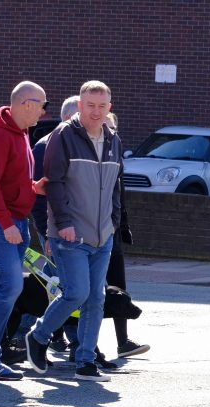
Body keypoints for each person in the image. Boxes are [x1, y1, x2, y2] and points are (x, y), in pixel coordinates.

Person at [22, 80, 124, 382]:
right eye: (90, 105)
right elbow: (53, 182)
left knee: (96, 298)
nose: (96, 111)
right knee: (76, 293)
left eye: (101, 106)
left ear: (109, 108)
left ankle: (85, 360)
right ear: (80, 106)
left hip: (102, 233)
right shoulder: (63, 136)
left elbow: (116, 185)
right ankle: (38, 336)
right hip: (69, 234)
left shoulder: (113, 139)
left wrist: (114, 220)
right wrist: (63, 223)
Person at [0, 81, 48, 381]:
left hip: (14, 220)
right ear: (25, 103)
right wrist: (5, 225)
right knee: (10, 287)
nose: (43, 111)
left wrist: (33, 188)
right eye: (42, 104)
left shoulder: (20, 133)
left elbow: (7, 180)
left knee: (4, 289)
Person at [29, 95, 77, 353]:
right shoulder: (45, 147)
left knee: (63, 283)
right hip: (53, 227)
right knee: (60, 283)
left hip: (73, 228)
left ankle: (59, 335)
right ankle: (39, 333)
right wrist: (46, 234)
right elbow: (38, 197)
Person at [101, 111, 150, 359]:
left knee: (117, 287)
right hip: (91, 233)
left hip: (113, 232)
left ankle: (123, 342)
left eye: (112, 128)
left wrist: (123, 226)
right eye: (104, 127)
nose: (108, 132)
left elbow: (120, 198)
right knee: (83, 289)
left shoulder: (117, 156)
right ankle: (69, 341)